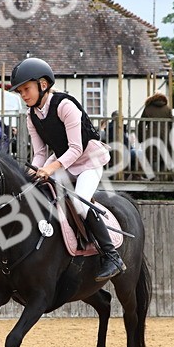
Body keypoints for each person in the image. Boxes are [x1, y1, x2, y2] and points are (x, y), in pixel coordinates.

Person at [12, 57, 124, 281]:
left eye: (26, 89)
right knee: (38, 192)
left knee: (81, 202)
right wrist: (34, 172)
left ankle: (112, 257)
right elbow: (40, 153)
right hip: (64, 161)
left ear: (43, 85)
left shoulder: (65, 106)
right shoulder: (31, 115)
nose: (23, 94)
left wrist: (50, 169)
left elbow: (76, 148)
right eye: (20, 91)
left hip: (88, 160)